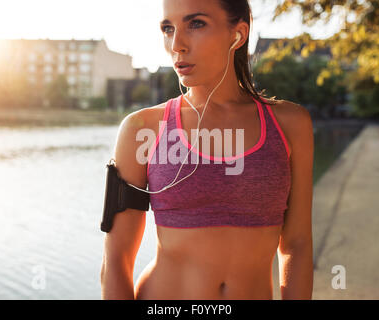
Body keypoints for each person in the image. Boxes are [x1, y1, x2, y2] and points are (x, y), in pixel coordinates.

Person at [100, 0, 314, 300]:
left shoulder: (290, 124)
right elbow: (116, 259)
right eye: (167, 28)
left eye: (196, 24)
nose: (177, 44)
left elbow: (298, 245)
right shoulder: (142, 128)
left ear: (237, 35)